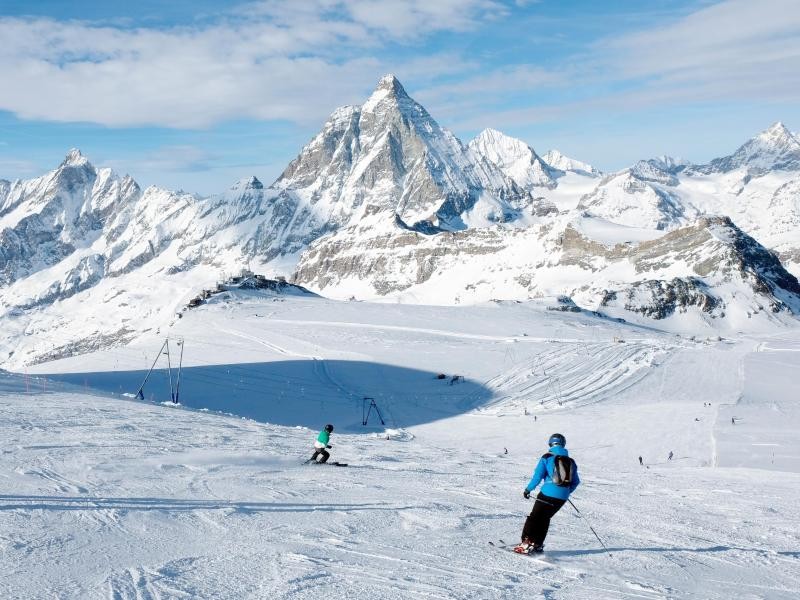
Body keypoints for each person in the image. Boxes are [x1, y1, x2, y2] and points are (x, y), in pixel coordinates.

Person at [514, 433, 580, 554]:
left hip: (548, 493)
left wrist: (528, 489)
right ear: (563, 444)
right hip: (562, 497)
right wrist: (565, 491)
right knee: (545, 518)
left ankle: (526, 543)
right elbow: (576, 482)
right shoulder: (571, 461)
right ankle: (538, 544)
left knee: (534, 517)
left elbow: (537, 476)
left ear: (550, 444)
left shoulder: (547, 457)